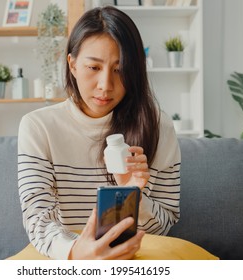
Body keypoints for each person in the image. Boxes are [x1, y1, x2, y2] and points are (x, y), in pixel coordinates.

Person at [17, 6, 181, 260]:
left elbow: (163, 226)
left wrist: (130, 194)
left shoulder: (159, 127)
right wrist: (75, 253)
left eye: (119, 69)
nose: (106, 85)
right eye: (94, 68)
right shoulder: (38, 127)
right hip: (66, 255)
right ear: (72, 64)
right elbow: (37, 219)